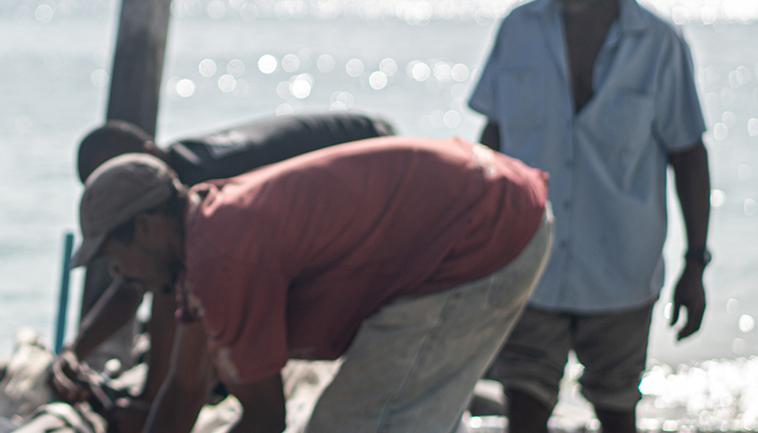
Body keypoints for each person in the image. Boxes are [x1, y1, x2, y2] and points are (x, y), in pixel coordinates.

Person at [78, 137, 552, 433]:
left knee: (350, 426)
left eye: (114, 260)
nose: (122, 279)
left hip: (484, 229)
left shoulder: (222, 258)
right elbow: (184, 388)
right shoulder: (205, 227)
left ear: (145, 229)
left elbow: (266, 420)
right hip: (484, 200)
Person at [468, 0, 712, 433]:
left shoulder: (659, 45)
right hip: (533, 264)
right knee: (525, 408)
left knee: (617, 410)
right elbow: (493, 143)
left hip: (623, 272)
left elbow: (688, 156)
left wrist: (695, 265)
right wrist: (477, 243)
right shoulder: (518, 31)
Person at [50, 113, 394, 426]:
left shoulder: (204, 199)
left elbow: (165, 289)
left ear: (148, 153)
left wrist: (150, 402)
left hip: (375, 164)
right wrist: (74, 351)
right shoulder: (168, 198)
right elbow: (138, 284)